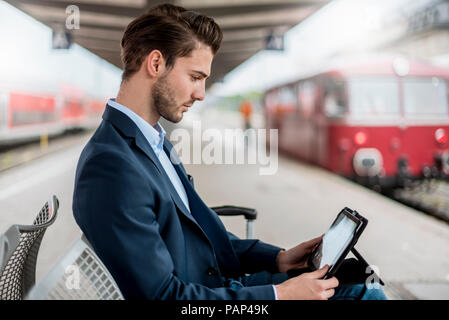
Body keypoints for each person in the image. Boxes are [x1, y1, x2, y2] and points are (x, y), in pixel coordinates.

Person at [73, 3, 387, 300]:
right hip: (208, 298)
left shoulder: (151, 142)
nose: (200, 93)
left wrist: (278, 259)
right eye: (195, 77)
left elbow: (199, 234)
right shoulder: (111, 165)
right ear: (156, 63)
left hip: (217, 287)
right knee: (366, 292)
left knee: (358, 275)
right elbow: (164, 296)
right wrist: (280, 295)